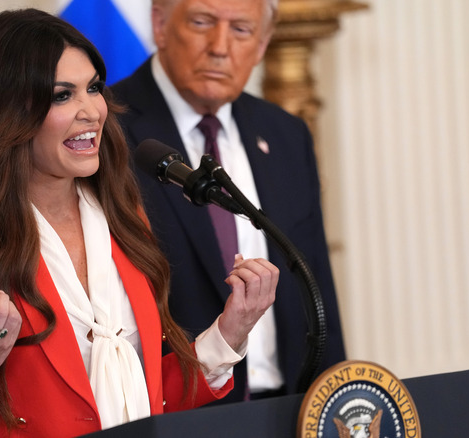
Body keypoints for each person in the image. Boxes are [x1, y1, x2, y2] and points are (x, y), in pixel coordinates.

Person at [0, 8, 279, 438]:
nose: (91, 110)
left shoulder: (123, 213)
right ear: (6, 110)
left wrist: (228, 333)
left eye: (93, 88)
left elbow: (145, 398)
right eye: (62, 95)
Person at [111, 0, 346, 403]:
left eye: (241, 30)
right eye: (202, 22)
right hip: (178, 410)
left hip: (288, 403)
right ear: (160, 24)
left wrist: (334, 403)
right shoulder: (108, 129)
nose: (220, 46)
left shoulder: (286, 134)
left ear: (261, 44)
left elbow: (315, 280)